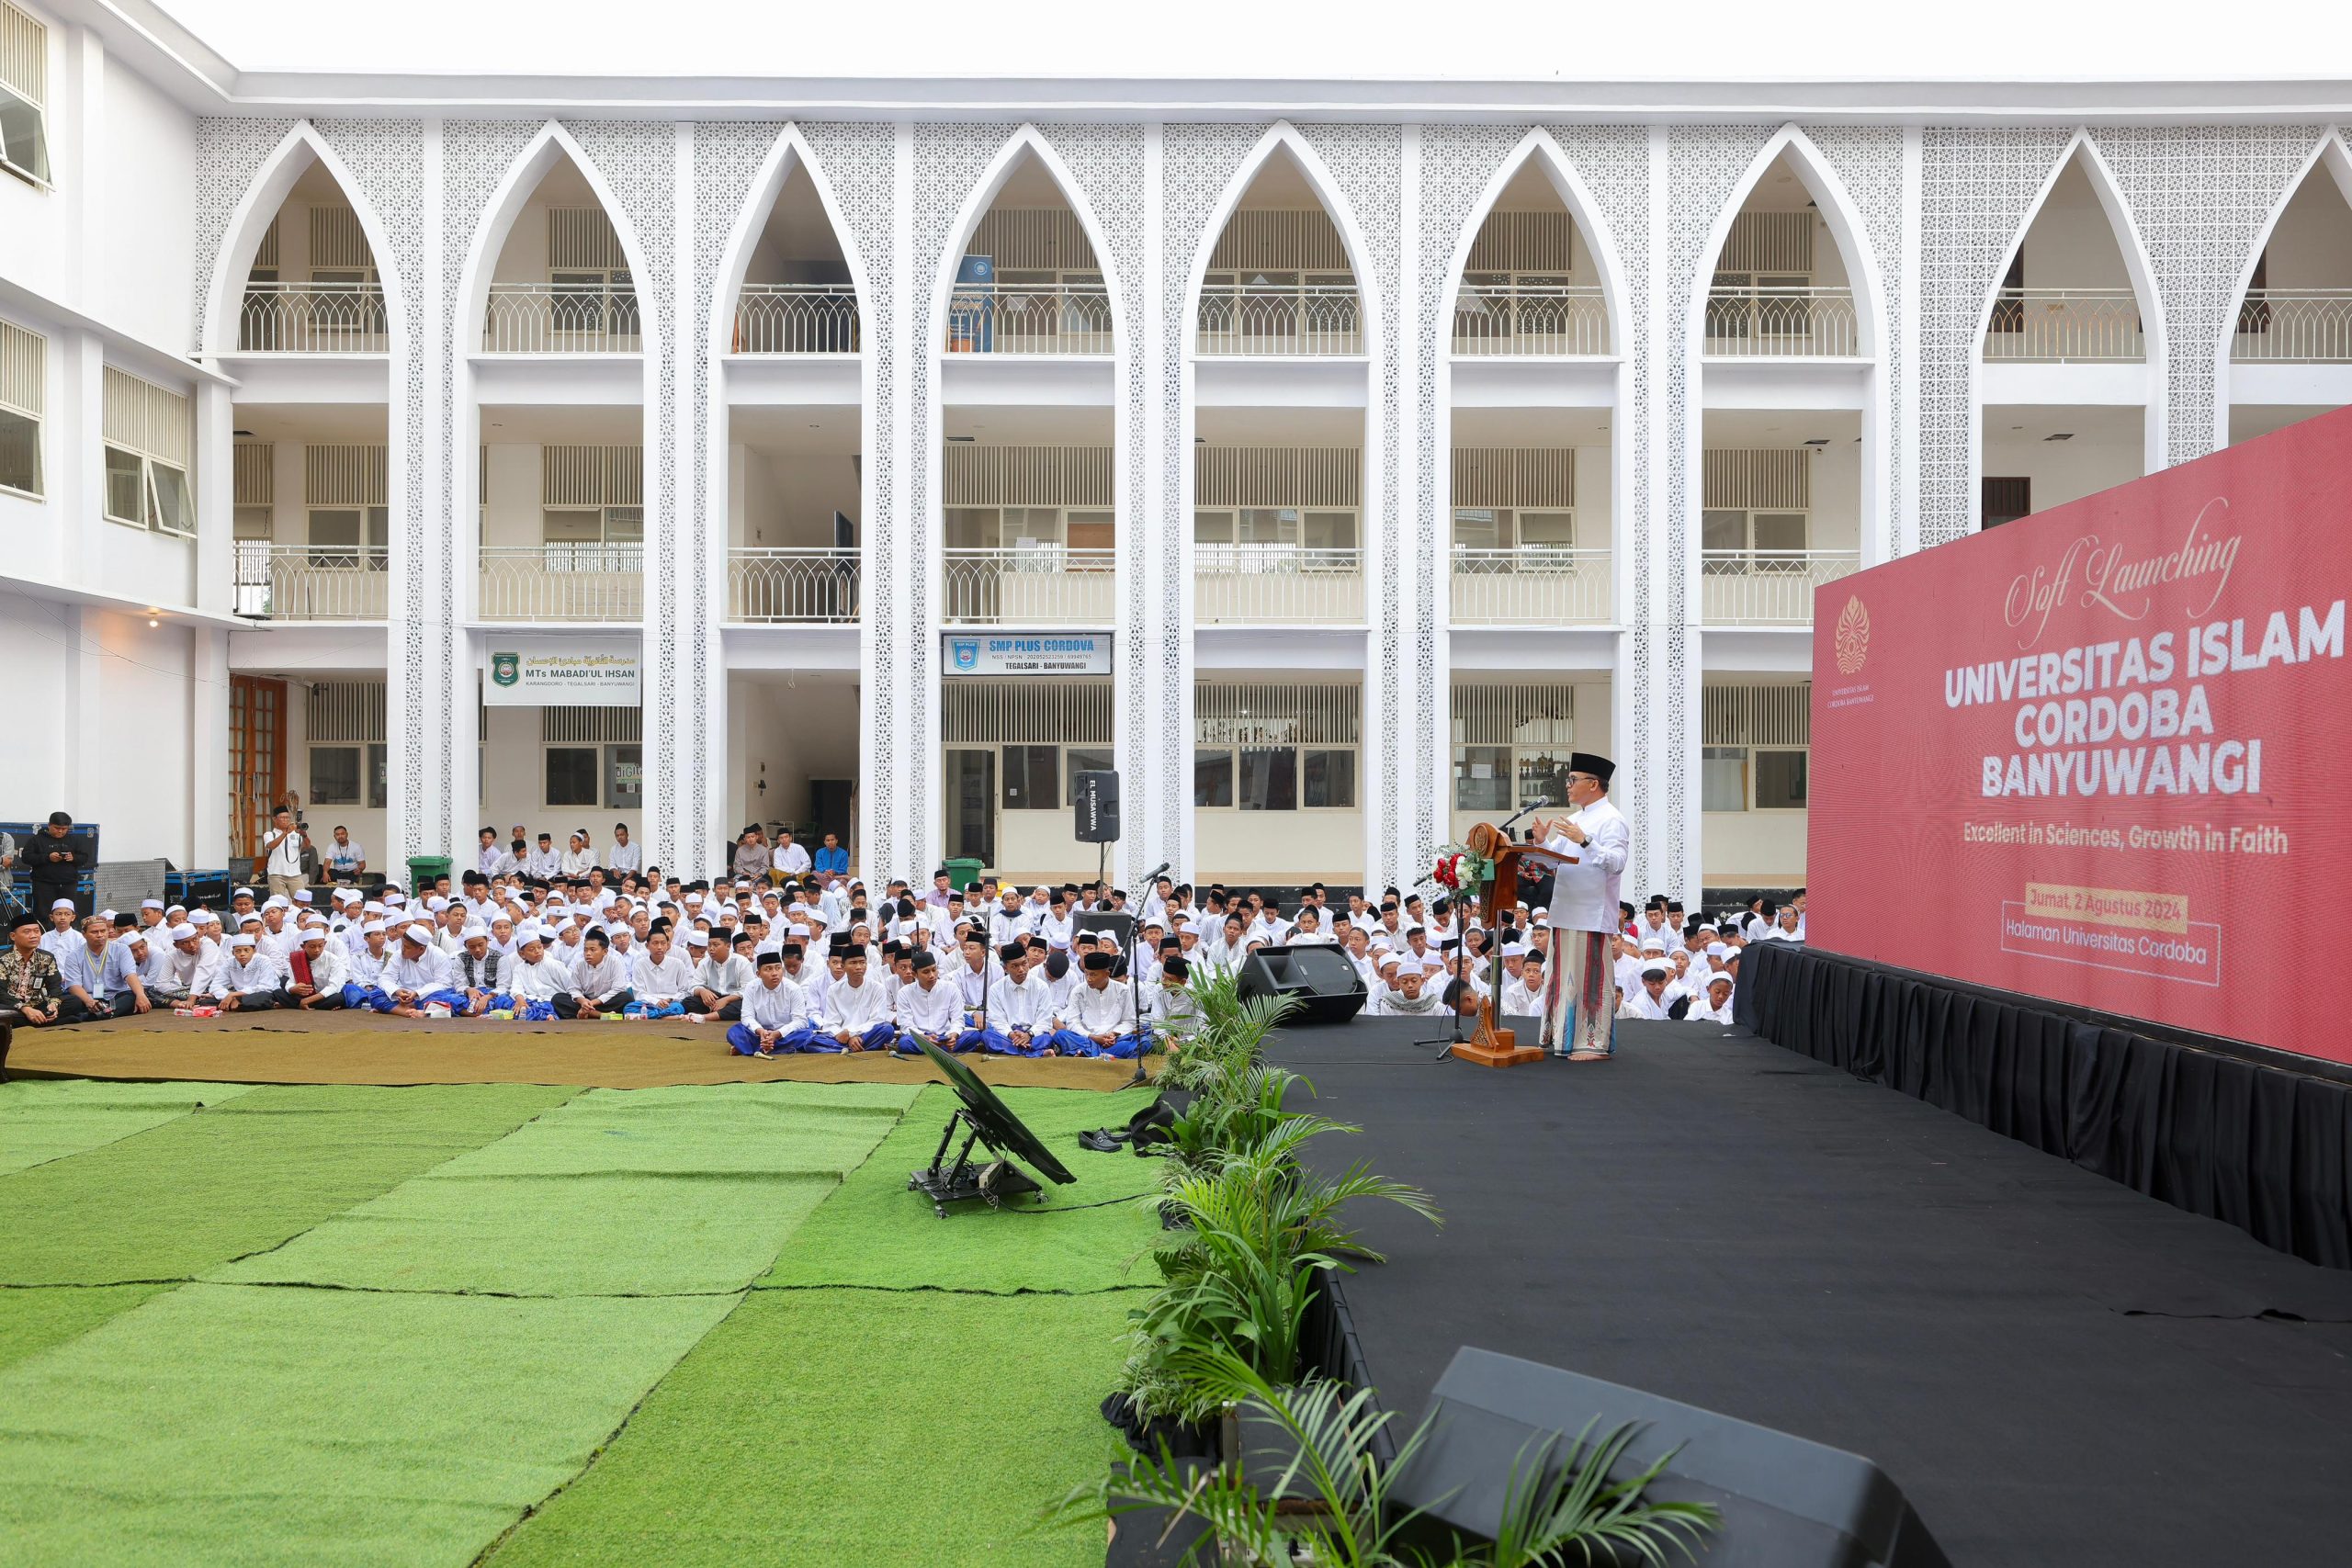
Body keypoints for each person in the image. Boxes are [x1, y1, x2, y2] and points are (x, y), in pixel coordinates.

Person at [1527, 750, 1630, 1063]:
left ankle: (1593, 1044)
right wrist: (1542, 843)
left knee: (1589, 979)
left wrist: (1585, 841)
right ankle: (1562, 1037)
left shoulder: (1612, 819)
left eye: (1573, 779)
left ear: (1594, 784)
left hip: (1591, 913)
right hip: (1565, 910)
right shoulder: (1574, 819)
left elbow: (1617, 863)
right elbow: (1553, 861)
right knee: (1562, 979)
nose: (1568, 785)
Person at [1047, 950, 1146, 1059]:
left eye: (1093, 975)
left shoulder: (1123, 990)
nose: (1088, 979)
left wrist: (1113, 1034)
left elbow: (1129, 1021)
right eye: (1086, 974)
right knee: (1061, 1034)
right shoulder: (1078, 991)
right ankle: (1102, 1054)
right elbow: (1073, 1023)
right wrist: (1093, 1037)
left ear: (1107, 974)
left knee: (1145, 1041)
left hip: (1114, 1040)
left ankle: (1088, 1052)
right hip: (1087, 1038)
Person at [728, 950, 813, 1057]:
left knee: (807, 1035)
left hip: (786, 1034)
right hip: (760, 1033)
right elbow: (747, 1017)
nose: (774, 973)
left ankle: (751, 1047)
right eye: (768, 969)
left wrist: (778, 1034)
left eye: (778, 968)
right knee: (734, 1031)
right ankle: (772, 1047)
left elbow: (800, 1020)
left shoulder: (793, 989)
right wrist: (760, 1031)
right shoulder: (751, 987)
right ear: (758, 974)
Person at [1, 913, 67, 1044]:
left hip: (37, 1005)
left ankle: (38, 1018)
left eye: (37, 931)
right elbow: (0, 993)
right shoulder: (3, 959)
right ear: (13, 936)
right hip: (11, 1006)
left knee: (75, 1001)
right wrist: (24, 1009)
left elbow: (55, 987)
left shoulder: (47, 958)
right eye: (27, 932)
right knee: (3, 1012)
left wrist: (53, 1005)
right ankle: (44, 1020)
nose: (34, 935)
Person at [814, 946, 895, 1053]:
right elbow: (830, 1023)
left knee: (887, 1029)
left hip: (866, 1034)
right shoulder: (833, 990)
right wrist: (848, 1039)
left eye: (862, 962)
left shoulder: (877, 988)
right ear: (843, 966)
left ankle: (847, 1048)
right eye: (853, 963)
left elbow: (877, 1020)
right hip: (842, 1037)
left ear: (867, 964)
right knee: (811, 1040)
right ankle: (864, 1046)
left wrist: (851, 1033)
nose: (858, 967)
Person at [26, 813, 85, 917]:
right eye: (57, 828)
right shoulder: (36, 840)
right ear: (49, 825)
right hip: (43, 884)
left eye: (64, 829)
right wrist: (48, 857)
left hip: (68, 883)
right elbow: (26, 857)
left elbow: (84, 857)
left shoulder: (74, 840)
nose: (60, 831)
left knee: (68, 913)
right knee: (44, 914)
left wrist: (74, 858)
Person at [277, 928, 350, 1011]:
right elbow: (290, 982)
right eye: (312, 947)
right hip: (302, 996)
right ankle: (311, 1006)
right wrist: (293, 989)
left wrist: (307, 1000)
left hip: (322, 997)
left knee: (338, 998)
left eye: (320, 946)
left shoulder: (333, 960)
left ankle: (297, 1005)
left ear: (325, 944)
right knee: (278, 993)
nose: (317, 950)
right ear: (303, 947)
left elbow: (333, 987)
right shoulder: (297, 959)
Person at [260, 806, 310, 902]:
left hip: (295, 873)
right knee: (278, 902)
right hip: (276, 873)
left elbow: (307, 846)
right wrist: (285, 833)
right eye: (283, 818)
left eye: (287, 818)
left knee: (302, 901)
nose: (286, 820)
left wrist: (304, 835)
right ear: (274, 819)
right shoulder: (269, 834)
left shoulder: (295, 834)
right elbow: (271, 846)